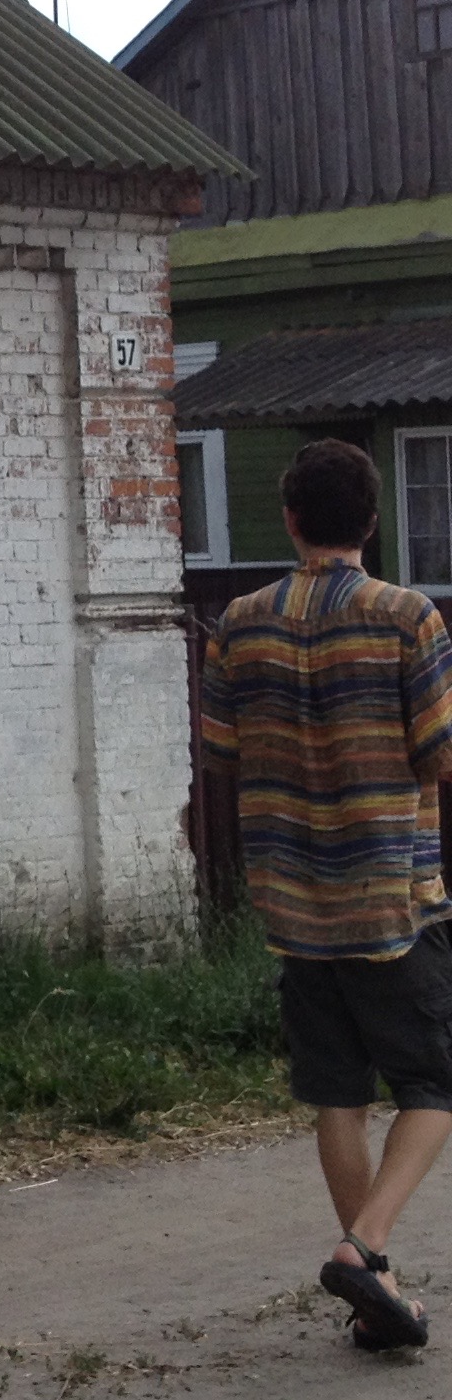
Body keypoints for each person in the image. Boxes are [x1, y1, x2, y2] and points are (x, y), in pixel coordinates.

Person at [199, 437, 452, 1350]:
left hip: (292, 902)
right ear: (371, 523)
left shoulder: (239, 623)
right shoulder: (407, 617)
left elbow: (220, 754)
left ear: (292, 519)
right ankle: (365, 1247)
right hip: (391, 895)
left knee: (337, 1093)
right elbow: (440, 754)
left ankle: (376, 1291)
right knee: (436, 1081)